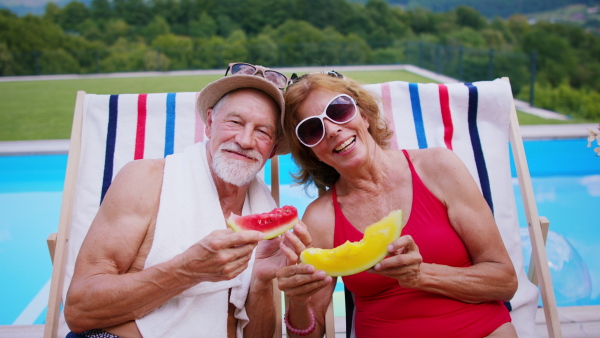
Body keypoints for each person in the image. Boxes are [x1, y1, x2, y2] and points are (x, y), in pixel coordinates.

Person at [64, 63, 310, 338]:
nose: (245, 140)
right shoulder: (144, 180)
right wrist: (187, 270)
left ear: (273, 149)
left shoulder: (264, 209)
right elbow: (78, 310)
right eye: (235, 122)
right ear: (209, 123)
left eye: (262, 132)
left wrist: (261, 282)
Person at [276, 72, 519, 337]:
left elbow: (505, 281)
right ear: (312, 152)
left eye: (339, 110)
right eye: (313, 130)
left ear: (364, 115)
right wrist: (297, 302)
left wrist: (421, 275)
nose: (333, 129)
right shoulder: (321, 218)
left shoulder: (439, 167)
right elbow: (310, 333)